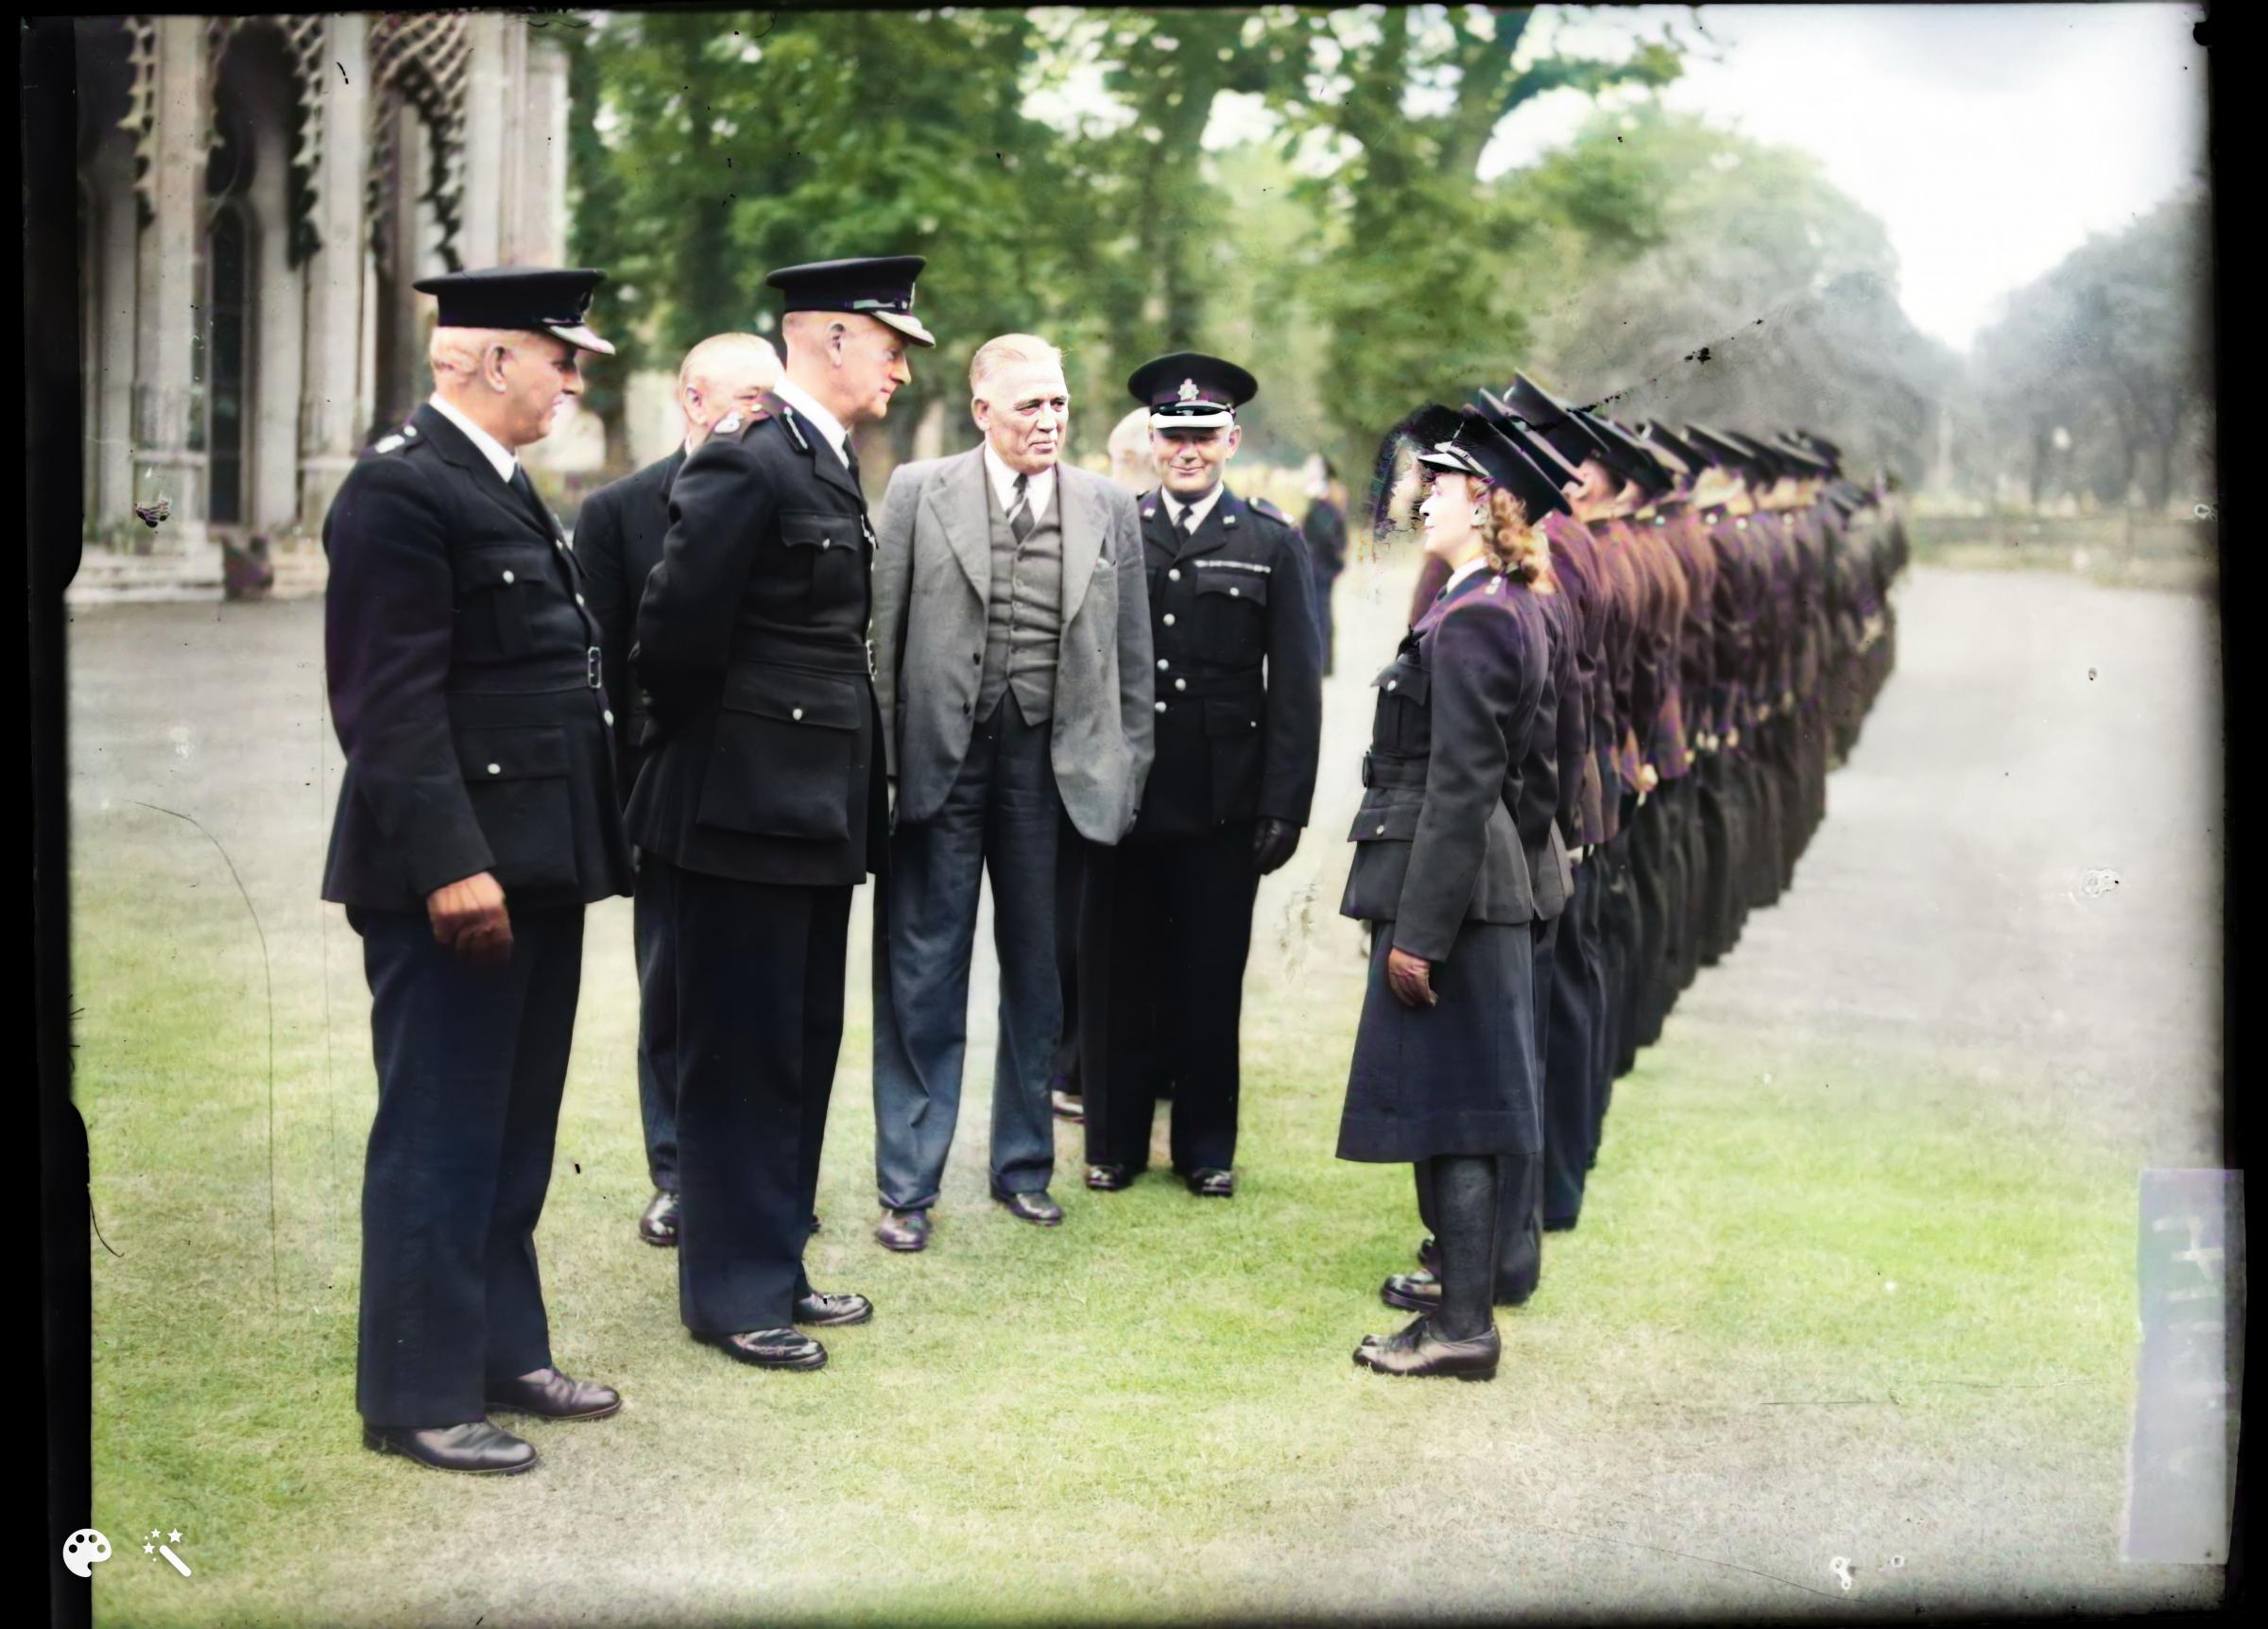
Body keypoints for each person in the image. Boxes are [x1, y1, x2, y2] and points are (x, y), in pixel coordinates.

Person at [322, 267, 633, 1474]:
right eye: (563, 357)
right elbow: (388, 707)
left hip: (537, 865)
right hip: (450, 880)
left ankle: (503, 1349)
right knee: (441, 1130)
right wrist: (455, 864)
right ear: (492, 359)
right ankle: (414, 1391)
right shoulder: (400, 487)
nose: (575, 377)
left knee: (512, 1130)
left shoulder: (496, 483)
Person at [628, 255, 934, 1372]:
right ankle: (729, 1293)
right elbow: (671, 634)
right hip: (740, 809)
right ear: (829, 337)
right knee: (738, 1053)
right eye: (890, 341)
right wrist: (735, 751)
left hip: (807, 814)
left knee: (800, 1046)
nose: (900, 364)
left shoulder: (820, 455)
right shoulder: (751, 456)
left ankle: (777, 1262)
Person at [865, 334, 1155, 1251]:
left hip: (1052, 769)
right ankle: (908, 1184)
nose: (1050, 420)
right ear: (983, 408)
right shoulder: (919, 489)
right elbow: (881, 638)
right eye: (1030, 403)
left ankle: (1023, 1165)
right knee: (923, 971)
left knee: (1039, 973)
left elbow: (1135, 665)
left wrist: (1125, 771)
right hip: (938, 764)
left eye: (1061, 403)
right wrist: (882, 769)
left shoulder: (1109, 506)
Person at [1337, 408, 1565, 1379]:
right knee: (1452, 1105)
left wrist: (1420, 934)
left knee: (1457, 1110)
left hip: (1459, 900)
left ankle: (1464, 1326)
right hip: (1481, 889)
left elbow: (1466, 787)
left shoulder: (1476, 619)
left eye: (1442, 482)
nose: (1422, 494)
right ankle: (1456, 1309)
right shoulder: (1501, 604)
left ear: (1487, 502)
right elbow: (1534, 778)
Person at [1079, 353, 1323, 1199]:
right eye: (1172, 434)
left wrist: (1284, 805)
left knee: (1210, 975)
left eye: (1202, 435)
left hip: (1225, 802)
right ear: (1151, 438)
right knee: (1120, 975)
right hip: (1131, 796)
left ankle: (1206, 1149)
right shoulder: (1116, 528)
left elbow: (1295, 686)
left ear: (1231, 439)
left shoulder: (1271, 540)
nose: (1187, 449)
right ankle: (1112, 1144)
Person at [576, 332, 782, 1249]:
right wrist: (619, 810)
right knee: (669, 993)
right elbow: (605, 680)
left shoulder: (787, 494)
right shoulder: (620, 512)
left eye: (773, 405)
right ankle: (675, 1174)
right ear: (694, 402)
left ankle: (751, 1175)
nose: (763, 421)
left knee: (755, 998)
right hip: (664, 799)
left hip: (764, 795)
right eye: (746, 402)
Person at [1300, 454, 1349, 677]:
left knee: (1321, 614)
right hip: (1322, 565)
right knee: (1320, 613)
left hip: (1321, 567)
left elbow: (1330, 536)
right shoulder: (1323, 501)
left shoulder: (1325, 503)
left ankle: (1322, 663)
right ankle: (1322, 662)